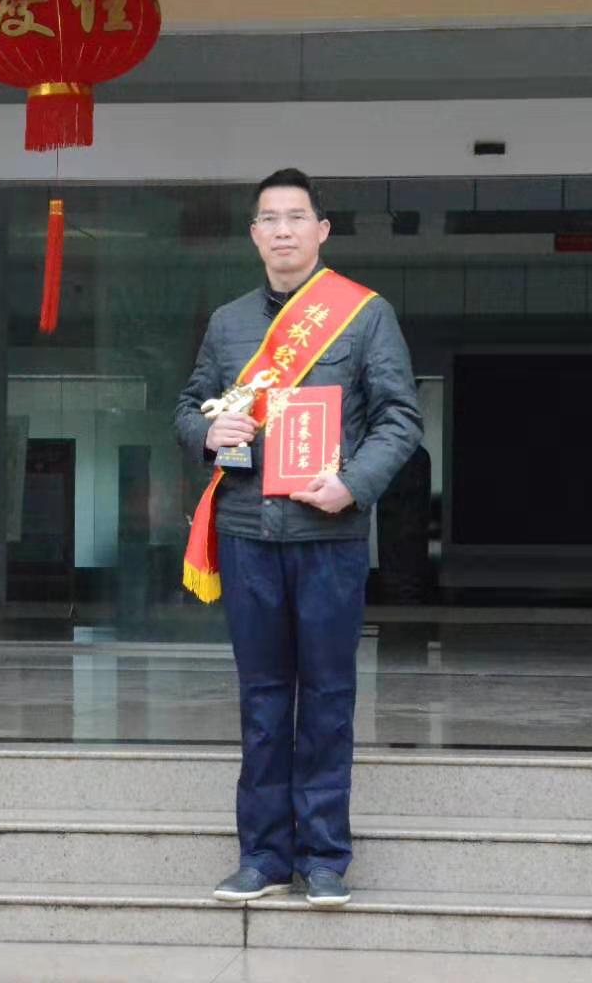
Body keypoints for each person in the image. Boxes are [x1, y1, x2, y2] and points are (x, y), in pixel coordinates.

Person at [174, 168, 421, 907]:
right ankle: (262, 856)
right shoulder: (228, 324)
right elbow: (188, 407)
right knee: (261, 698)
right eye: (269, 219)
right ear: (255, 235)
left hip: (328, 536)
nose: (283, 230)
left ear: (322, 230)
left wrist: (355, 483)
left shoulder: (365, 316)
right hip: (247, 532)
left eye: (296, 217)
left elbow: (399, 419)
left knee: (327, 697)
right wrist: (208, 434)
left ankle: (323, 856)